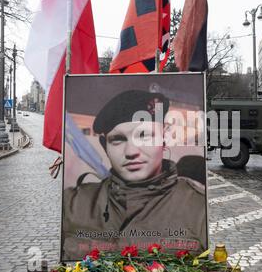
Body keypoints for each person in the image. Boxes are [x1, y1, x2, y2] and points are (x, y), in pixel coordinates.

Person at [62, 90, 207, 261]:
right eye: (118, 139)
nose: (131, 152)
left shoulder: (199, 209)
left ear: (165, 136)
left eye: (144, 135)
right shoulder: (72, 204)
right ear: (104, 145)